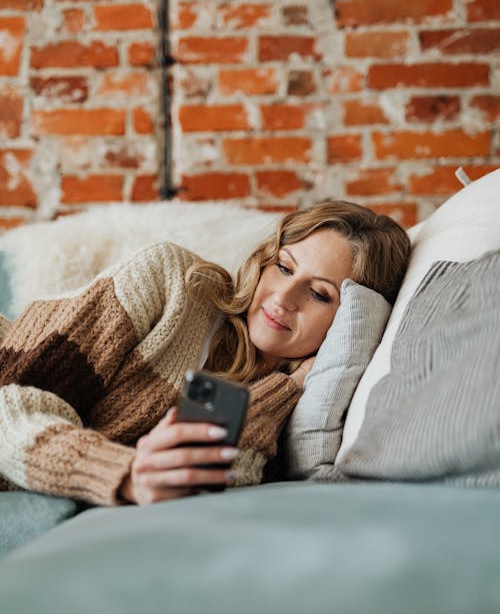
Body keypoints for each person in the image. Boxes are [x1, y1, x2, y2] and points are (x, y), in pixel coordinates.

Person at [0, 201, 411, 506]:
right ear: (265, 260)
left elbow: (216, 482)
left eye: (319, 293)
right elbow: (10, 406)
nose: (283, 298)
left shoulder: (287, 398)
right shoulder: (171, 282)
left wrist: (286, 388)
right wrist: (122, 475)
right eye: (284, 268)